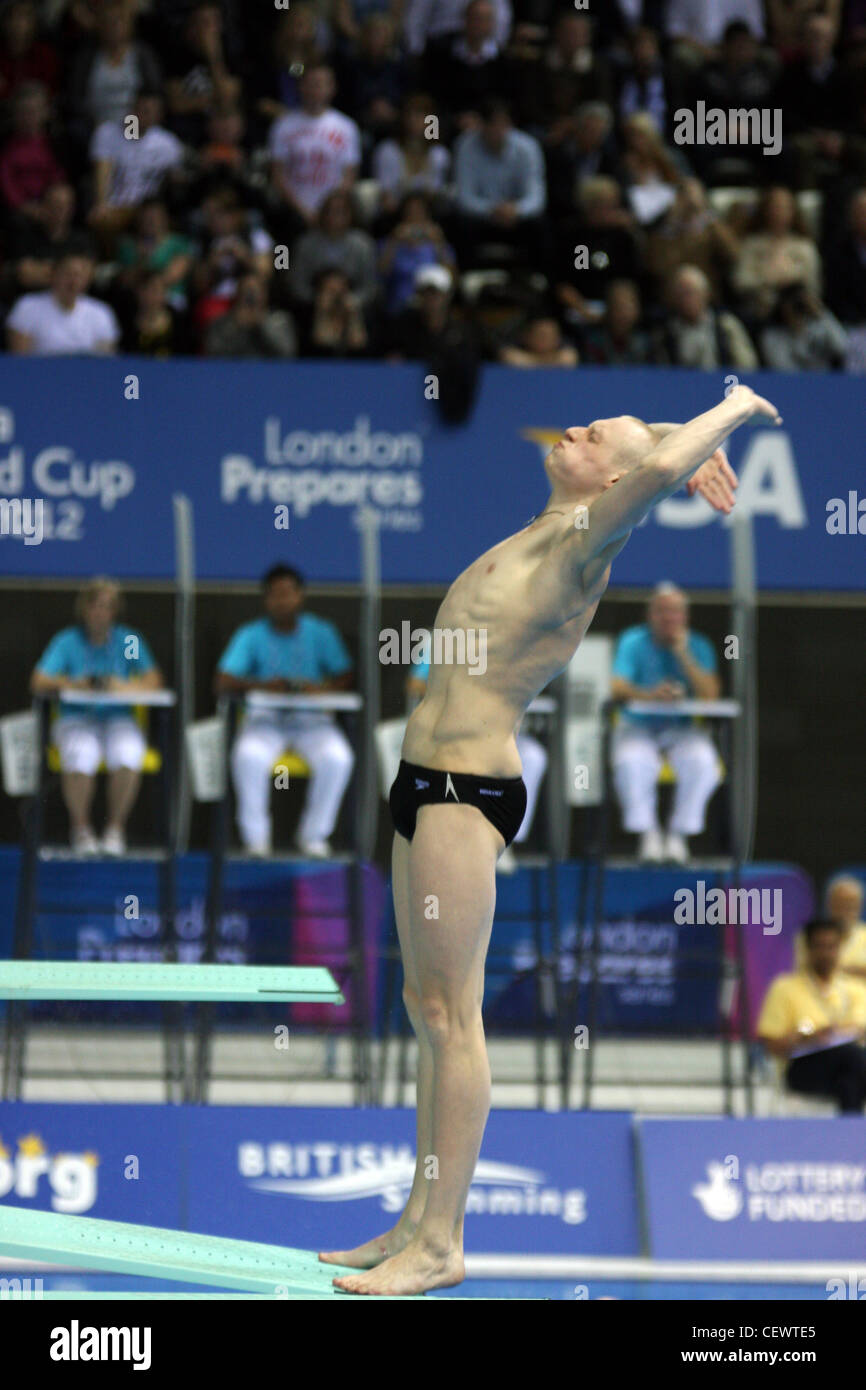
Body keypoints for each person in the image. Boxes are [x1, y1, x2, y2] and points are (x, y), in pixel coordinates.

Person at [319, 382, 782, 1294]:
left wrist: (727, 411)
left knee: (454, 1017)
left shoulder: (584, 543)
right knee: (424, 1007)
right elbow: (649, 454)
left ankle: (445, 1244)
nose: (571, 429)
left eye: (591, 432)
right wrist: (675, 447)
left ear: (609, 475)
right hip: (420, 784)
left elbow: (648, 466)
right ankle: (415, 1219)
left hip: (467, 793)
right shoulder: (543, 528)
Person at [215, 564, 355, 858]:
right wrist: (265, 685)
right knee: (248, 756)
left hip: (311, 717)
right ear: (266, 600)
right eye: (275, 595)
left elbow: (345, 675)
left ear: (300, 596)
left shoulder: (320, 631)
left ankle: (314, 837)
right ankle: (256, 841)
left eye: (288, 594)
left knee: (338, 757)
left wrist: (319, 690)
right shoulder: (250, 634)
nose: (282, 601)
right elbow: (223, 681)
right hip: (265, 717)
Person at [30, 577, 163, 855]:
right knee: (81, 755)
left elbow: (153, 681)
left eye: (107, 607)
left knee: (129, 753)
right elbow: (39, 681)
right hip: (76, 717)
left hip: (118, 718)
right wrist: (71, 683)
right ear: (84, 609)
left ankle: (115, 829)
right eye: (95, 606)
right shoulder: (67, 641)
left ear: (115, 611)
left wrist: (122, 686)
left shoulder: (128, 641)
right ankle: (81, 829)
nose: (100, 612)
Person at [609, 583, 722, 864]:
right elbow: (617, 687)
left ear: (685, 617)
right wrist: (650, 695)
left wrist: (683, 653)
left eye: (675, 613)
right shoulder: (632, 640)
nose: (668, 618)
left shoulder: (698, 644)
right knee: (631, 761)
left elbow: (710, 695)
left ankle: (678, 835)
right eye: (662, 612)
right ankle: (648, 834)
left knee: (704, 761)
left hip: (681, 727)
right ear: (650, 615)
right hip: (638, 725)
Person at [405, 649, 547, 872]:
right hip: (452, 727)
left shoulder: (515, 637)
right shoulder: (447, 637)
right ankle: (457, 839)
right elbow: (416, 685)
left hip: (500, 729)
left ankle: (502, 836)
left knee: (533, 756)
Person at [758, 918, 866, 1113]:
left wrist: (833, 1034)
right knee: (853, 1061)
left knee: (850, 1077)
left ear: (840, 949)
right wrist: (806, 1036)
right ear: (807, 950)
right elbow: (771, 1046)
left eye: (831, 946)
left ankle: (848, 1129)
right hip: (804, 1067)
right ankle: (854, 1136)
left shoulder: (854, 989)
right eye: (819, 946)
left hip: (851, 1067)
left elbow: (860, 1029)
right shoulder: (784, 988)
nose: (826, 953)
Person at [7, 251, 119, 354]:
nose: (73, 281)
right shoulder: (27, 306)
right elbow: (20, 358)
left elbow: (105, 360)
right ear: (54, 275)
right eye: (67, 274)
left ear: (87, 279)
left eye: (79, 275)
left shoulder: (101, 312)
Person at [795, 876, 866, 980]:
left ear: (860, 907)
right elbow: (804, 973)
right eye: (840, 904)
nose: (845, 910)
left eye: (851, 905)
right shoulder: (810, 935)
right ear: (829, 904)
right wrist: (855, 971)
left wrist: (830, 968)